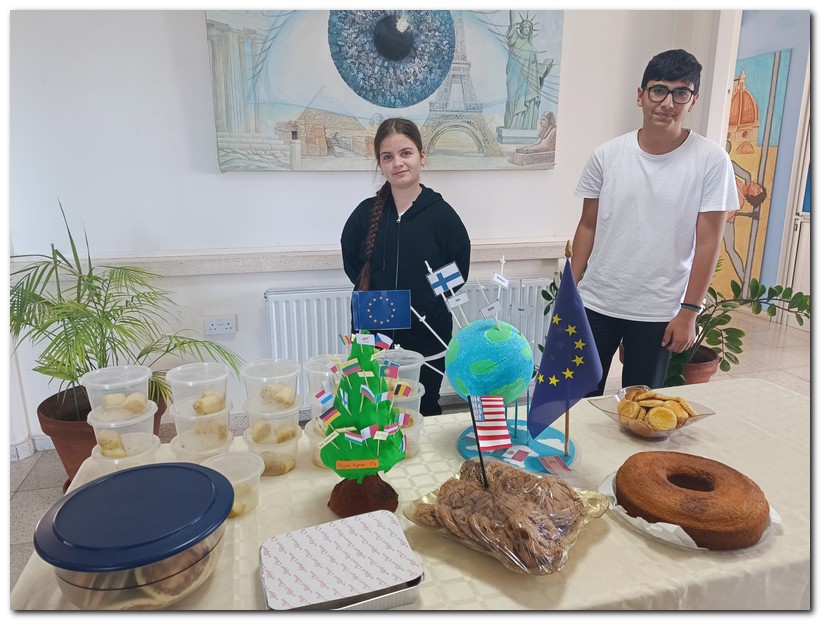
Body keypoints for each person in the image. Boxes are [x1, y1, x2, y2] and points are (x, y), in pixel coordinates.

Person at [571, 49, 739, 395]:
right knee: (577, 402)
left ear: (693, 100)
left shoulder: (711, 161)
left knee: (642, 406)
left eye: (681, 93)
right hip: (596, 302)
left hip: (659, 310)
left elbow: (709, 242)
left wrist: (689, 311)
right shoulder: (607, 155)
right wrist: (569, 292)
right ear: (641, 95)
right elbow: (588, 225)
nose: (667, 103)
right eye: (659, 90)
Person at [341, 118, 471, 415]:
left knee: (421, 408)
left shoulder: (442, 216)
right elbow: (353, 265)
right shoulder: (363, 215)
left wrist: (424, 299)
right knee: (373, 411)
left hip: (427, 333)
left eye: (406, 153)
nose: (397, 163)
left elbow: (457, 270)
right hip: (372, 333)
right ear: (380, 164)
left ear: (422, 156)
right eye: (387, 157)